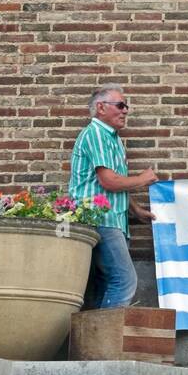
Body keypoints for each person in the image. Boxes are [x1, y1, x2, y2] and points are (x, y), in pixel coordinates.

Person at [68, 84, 158, 309]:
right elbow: (108, 181)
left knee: (102, 287)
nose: (125, 110)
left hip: (113, 220)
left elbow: (113, 185)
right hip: (101, 220)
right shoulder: (96, 133)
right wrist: (142, 179)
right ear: (100, 107)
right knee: (125, 281)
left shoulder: (114, 139)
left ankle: (92, 342)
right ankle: (106, 343)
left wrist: (136, 210)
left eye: (126, 106)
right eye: (120, 105)